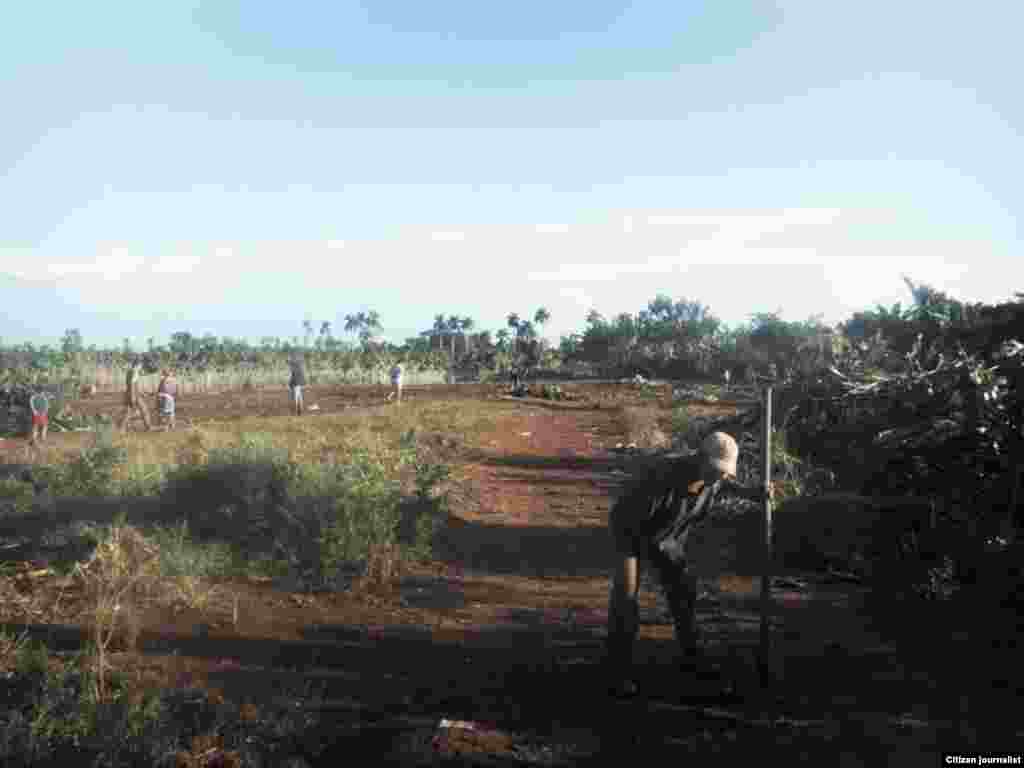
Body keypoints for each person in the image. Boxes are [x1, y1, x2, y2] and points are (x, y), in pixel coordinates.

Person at [605, 431, 771, 697]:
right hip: (631, 530)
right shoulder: (662, 479)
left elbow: (726, 485)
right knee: (626, 600)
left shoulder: (715, 478)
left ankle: (692, 660)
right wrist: (644, 557)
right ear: (699, 457)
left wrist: (753, 493)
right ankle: (617, 672)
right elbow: (633, 521)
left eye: (723, 472)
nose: (718, 476)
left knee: (683, 592)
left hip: (667, 536)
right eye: (714, 469)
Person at [118, 357, 152, 432]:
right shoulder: (134, 372)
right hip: (133, 395)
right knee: (131, 412)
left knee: (143, 410)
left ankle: (148, 427)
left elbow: (133, 384)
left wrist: (141, 393)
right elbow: (131, 385)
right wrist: (132, 397)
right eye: (141, 365)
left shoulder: (131, 371)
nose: (142, 367)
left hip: (133, 394)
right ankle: (122, 428)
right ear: (138, 364)